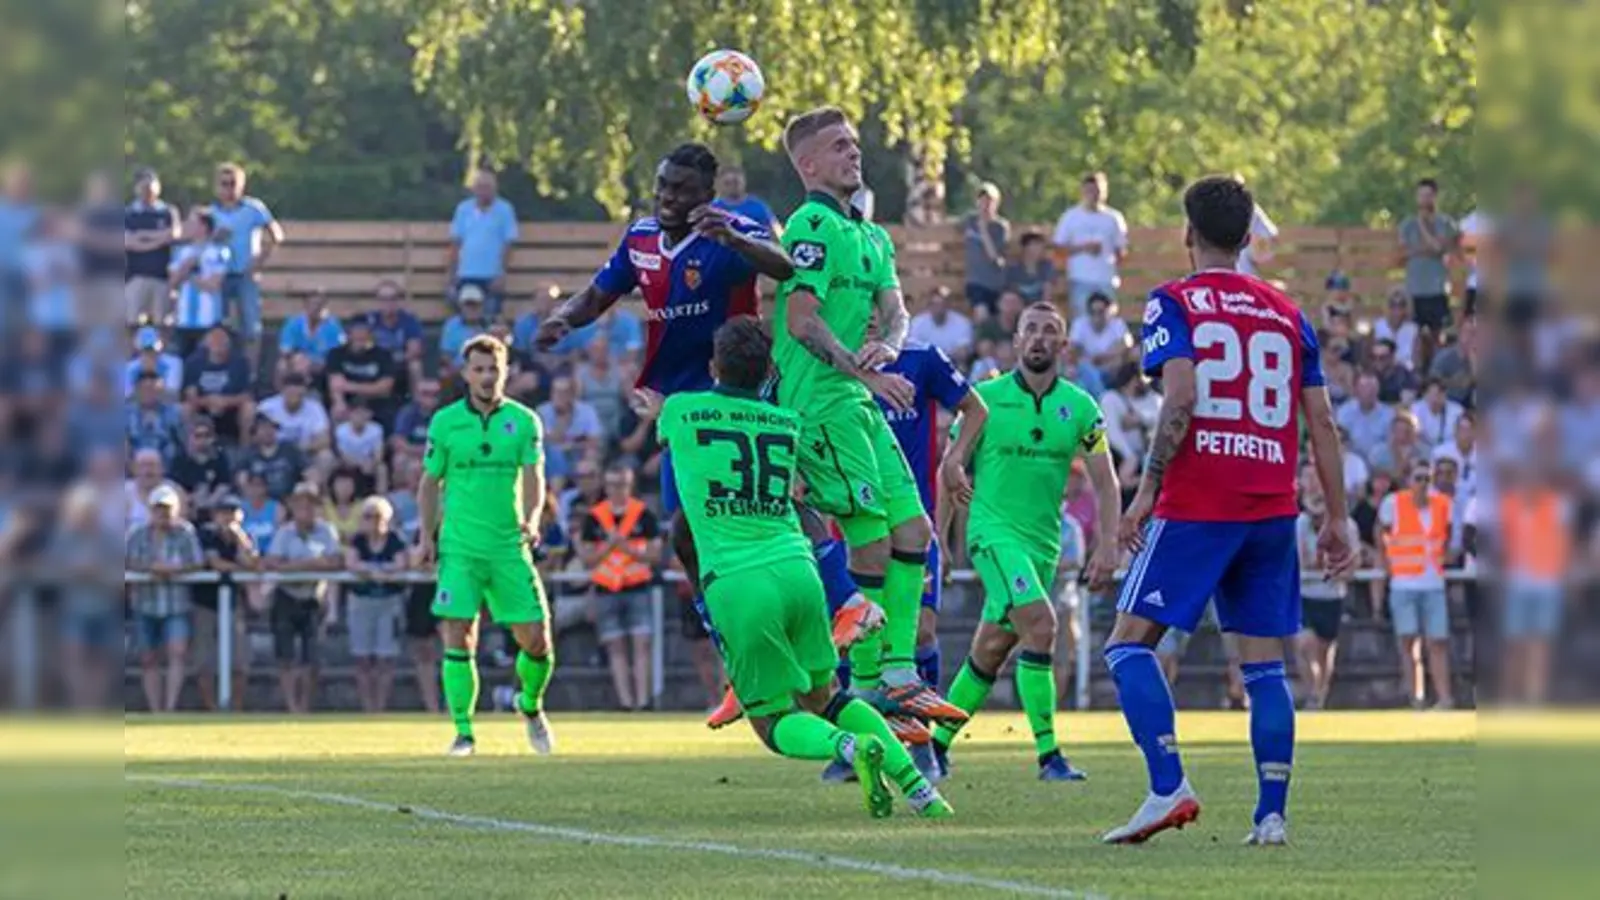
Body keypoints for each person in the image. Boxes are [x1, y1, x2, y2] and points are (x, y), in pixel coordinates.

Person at [1102, 175, 1354, 847]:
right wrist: (1338, 516)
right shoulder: (1287, 312)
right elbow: (1322, 422)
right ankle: (1271, 815)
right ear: (1247, 239)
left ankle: (1167, 787)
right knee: (1264, 666)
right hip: (1271, 507)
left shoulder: (1173, 301)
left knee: (1128, 646)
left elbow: (1179, 396)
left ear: (1188, 233)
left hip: (1198, 502)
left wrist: (1148, 491)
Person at [532, 142, 796, 724]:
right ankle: (734, 649)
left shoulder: (731, 229)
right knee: (685, 537)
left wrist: (733, 238)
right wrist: (564, 320)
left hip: (738, 399)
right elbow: (599, 294)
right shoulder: (642, 238)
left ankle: (823, 613)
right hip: (675, 410)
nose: (669, 197)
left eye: (681, 189)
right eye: (663, 186)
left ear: (706, 192)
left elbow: (783, 265)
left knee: (765, 516)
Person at [655, 316, 952, 819]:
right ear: (767, 370)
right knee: (829, 696)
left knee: (773, 722)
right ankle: (922, 792)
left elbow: (668, 440)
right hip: (799, 571)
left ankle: (851, 750)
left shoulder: (682, 411)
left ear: (713, 366)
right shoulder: (784, 424)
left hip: (738, 581)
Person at [769, 106, 964, 727]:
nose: (854, 153)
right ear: (808, 165)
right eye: (838, 146)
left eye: (854, 143)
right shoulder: (810, 225)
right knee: (873, 545)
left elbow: (897, 311)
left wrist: (889, 343)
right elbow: (801, 322)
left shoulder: (873, 236)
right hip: (819, 407)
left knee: (916, 535)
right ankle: (868, 684)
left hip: (857, 399)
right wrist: (864, 368)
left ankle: (900, 675)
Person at [930, 302, 1121, 782]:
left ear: (1063, 345)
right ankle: (1049, 755)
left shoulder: (1081, 407)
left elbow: (1106, 482)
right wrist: (941, 541)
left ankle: (933, 746)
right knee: (1042, 625)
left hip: (1042, 547)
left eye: (1049, 331)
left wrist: (1108, 544)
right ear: (1015, 341)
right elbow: (950, 467)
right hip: (993, 536)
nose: (1038, 338)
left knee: (992, 648)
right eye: (1030, 330)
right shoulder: (983, 401)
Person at [820, 330, 989, 781]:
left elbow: (975, 410)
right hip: (855, 520)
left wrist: (954, 459)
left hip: (914, 520)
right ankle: (860, 745)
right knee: (857, 630)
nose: (868, 315)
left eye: (877, 300)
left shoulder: (921, 357)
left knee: (920, 632)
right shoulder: (834, 361)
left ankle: (924, 746)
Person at [418, 335, 555, 757]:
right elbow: (429, 482)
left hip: (507, 547)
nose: (486, 376)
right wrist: (427, 535)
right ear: (465, 374)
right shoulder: (445, 423)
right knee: (458, 635)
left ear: (505, 371)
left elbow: (534, 478)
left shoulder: (525, 421)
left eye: (493, 369)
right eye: (478, 369)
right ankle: (463, 732)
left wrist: (531, 521)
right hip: (459, 547)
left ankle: (529, 705)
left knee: (537, 641)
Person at [579, 466, 662, 712]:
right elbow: (587, 557)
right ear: (605, 486)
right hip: (606, 589)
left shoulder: (643, 514)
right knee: (615, 647)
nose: (617, 490)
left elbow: (655, 553)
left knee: (641, 644)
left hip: (637, 586)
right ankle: (626, 702)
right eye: (613, 484)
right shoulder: (594, 517)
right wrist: (609, 546)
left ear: (630, 485)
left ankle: (644, 701)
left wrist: (623, 546)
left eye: (622, 484)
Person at [1376, 458, 1456, 711]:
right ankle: (1416, 698)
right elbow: (1381, 533)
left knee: (1438, 642)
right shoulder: (1394, 503)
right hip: (1404, 582)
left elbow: (1449, 534)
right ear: (1409, 480)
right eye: (1418, 478)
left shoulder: (1442, 504)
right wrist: (1388, 566)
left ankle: (1444, 698)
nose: (1423, 484)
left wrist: (1446, 556)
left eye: (1427, 479)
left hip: (1433, 582)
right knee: (1408, 642)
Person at [1294, 468, 1360, 711]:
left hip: (1332, 595)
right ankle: (1311, 692)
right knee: (1304, 644)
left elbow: (1354, 562)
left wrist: (1337, 569)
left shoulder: (1346, 526)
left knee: (1325, 650)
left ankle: (1320, 694)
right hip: (1304, 594)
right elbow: (1297, 562)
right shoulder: (1299, 524)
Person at [346, 496, 410, 714]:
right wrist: (376, 570)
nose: (373, 521)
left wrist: (377, 571)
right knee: (362, 657)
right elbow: (352, 563)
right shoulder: (358, 541)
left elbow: (402, 564)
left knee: (386, 658)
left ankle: (380, 707)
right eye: (368, 517)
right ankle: (367, 706)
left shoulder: (395, 540)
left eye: (377, 517)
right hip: (362, 603)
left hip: (388, 603)